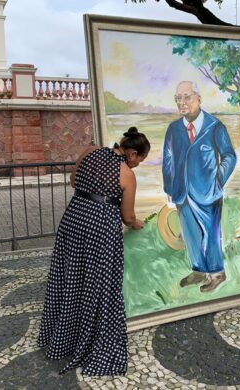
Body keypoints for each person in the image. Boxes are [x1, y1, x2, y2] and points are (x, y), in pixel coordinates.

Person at [38, 127, 150, 376]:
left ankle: (63, 338)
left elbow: (73, 181)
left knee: (69, 279)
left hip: (73, 220)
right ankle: (90, 338)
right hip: (100, 231)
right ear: (132, 153)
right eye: (139, 160)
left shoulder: (90, 151)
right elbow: (127, 215)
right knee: (98, 286)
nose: (138, 165)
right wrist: (136, 223)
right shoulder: (126, 175)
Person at [162, 81, 236, 293]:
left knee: (211, 234)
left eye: (187, 97)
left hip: (208, 192)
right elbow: (167, 159)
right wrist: (169, 187)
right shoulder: (174, 129)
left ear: (199, 98)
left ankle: (217, 273)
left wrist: (218, 180)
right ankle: (198, 270)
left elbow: (229, 156)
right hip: (181, 192)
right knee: (190, 233)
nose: (181, 103)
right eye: (178, 98)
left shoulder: (214, 126)